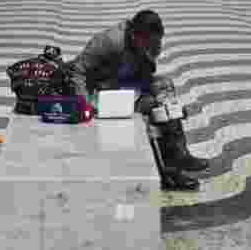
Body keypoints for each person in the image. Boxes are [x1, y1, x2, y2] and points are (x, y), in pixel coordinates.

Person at [68, 10, 209, 191]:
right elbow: (78, 71)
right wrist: (85, 105)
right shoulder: (109, 40)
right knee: (153, 108)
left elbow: (145, 72)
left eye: (154, 41)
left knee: (164, 91)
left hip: (127, 87)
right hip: (101, 93)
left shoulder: (152, 41)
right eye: (147, 42)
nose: (152, 45)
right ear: (135, 35)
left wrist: (170, 106)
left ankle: (178, 156)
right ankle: (169, 173)